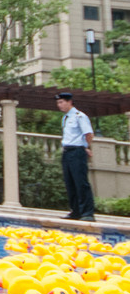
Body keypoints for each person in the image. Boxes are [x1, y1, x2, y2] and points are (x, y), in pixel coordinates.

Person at [57, 91, 95, 221]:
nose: (59, 105)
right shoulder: (65, 118)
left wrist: (84, 147)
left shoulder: (80, 116)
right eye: (58, 102)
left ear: (69, 102)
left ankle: (87, 213)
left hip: (77, 151)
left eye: (62, 102)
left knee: (80, 182)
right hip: (67, 151)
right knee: (70, 182)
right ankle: (76, 211)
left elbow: (89, 134)